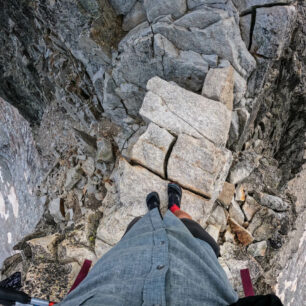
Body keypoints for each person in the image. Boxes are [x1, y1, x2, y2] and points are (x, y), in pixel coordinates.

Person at [59, 183, 283, 306]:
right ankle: (173, 207)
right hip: (196, 266)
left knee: (138, 225)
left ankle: (155, 211)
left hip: (127, 261)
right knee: (188, 225)